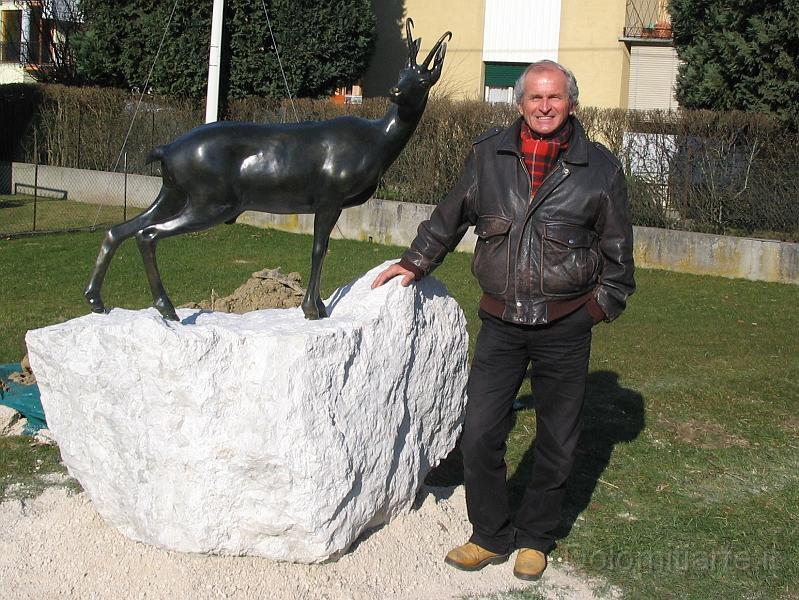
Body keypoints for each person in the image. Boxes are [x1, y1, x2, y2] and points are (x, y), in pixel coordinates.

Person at [371, 60, 635, 581]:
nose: (544, 107)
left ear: (571, 103)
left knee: (558, 439)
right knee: (479, 432)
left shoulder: (601, 169)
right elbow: (449, 217)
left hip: (565, 325)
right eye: (534, 97)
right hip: (501, 324)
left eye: (554, 98)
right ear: (519, 103)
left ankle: (536, 537)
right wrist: (415, 260)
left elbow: (619, 258)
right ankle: (490, 534)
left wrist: (595, 310)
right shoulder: (488, 154)